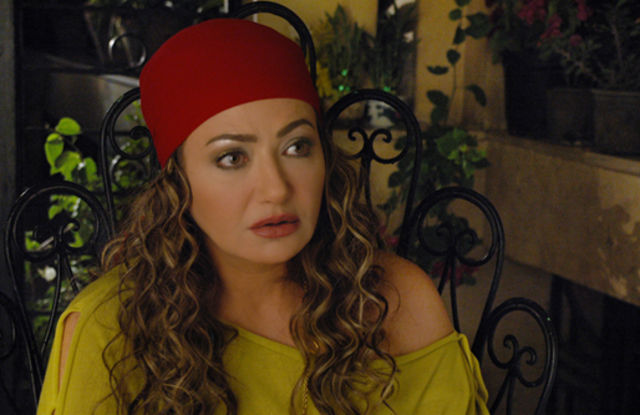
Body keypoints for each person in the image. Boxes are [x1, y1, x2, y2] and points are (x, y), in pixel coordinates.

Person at [37, 18, 489, 415]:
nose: (276, 189)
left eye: (297, 147)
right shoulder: (108, 330)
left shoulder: (397, 302)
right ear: (177, 184)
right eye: (232, 157)